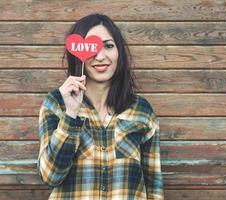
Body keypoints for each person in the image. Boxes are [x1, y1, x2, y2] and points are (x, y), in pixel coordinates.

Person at [37, 13, 164, 199]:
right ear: (78, 53)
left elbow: (154, 185)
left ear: (119, 52)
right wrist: (71, 115)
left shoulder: (141, 110)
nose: (100, 56)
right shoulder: (56, 103)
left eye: (108, 46)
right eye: (91, 47)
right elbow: (50, 176)